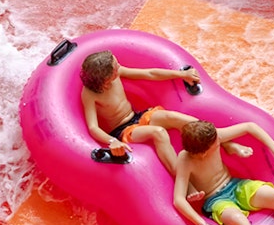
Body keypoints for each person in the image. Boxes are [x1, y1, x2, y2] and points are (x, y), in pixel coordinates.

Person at [79, 50, 246, 182]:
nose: (119, 65)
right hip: (122, 130)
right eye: (116, 66)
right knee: (158, 132)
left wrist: (181, 75)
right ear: (107, 78)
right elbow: (93, 126)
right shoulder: (90, 94)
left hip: (138, 116)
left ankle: (223, 140)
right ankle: (184, 182)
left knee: (172, 117)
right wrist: (112, 141)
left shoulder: (117, 74)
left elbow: (149, 74)